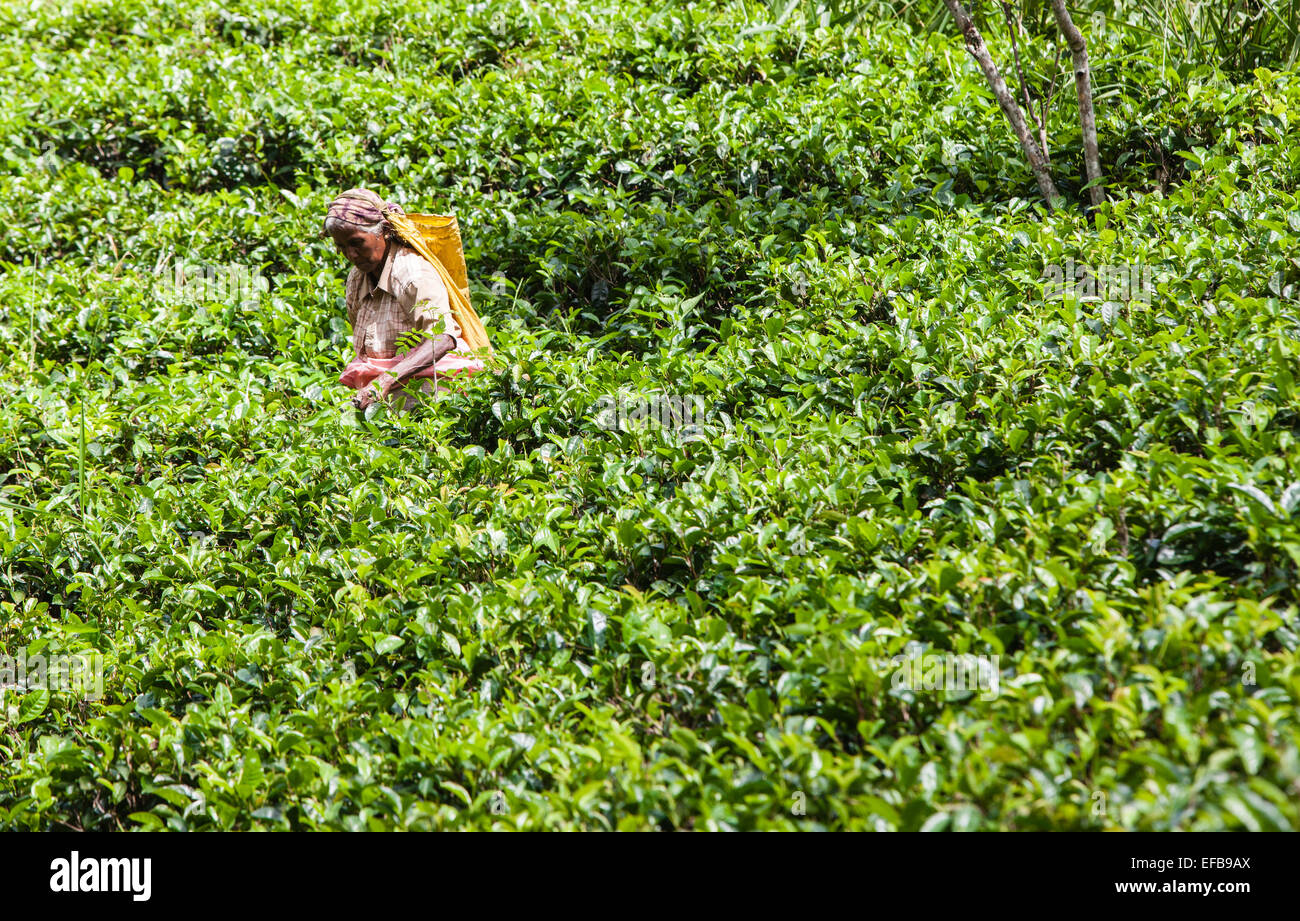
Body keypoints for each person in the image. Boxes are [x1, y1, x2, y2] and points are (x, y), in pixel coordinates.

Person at [323, 188, 485, 411]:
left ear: (385, 231)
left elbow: (443, 338)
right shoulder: (357, 277)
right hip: (386, 390)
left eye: (357, 243)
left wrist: (386, 380)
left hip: (436, 391)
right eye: (341, 247)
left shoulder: (412, 274)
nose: (351, 255)